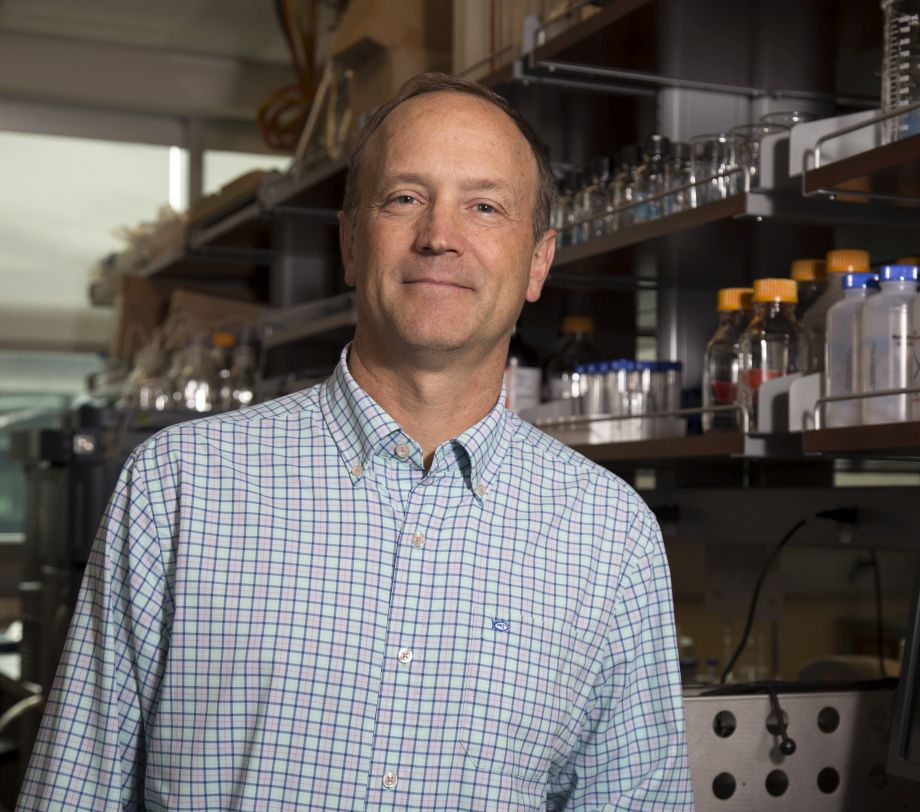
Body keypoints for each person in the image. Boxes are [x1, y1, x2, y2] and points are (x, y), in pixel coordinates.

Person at [19, 73, 693, 810]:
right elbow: (74, 791)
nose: (440, 236)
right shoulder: (180, 485)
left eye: (485, 206)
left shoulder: (609, 534)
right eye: (404, 198)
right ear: (348, 242)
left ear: (537, 260)